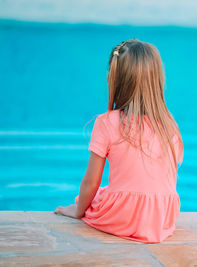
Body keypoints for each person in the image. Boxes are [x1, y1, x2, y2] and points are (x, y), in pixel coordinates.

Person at [54, 38, 184, 244]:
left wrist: (78, 210)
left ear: (112, 80)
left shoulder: (106, 122)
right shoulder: (170, 126)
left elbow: (91, 182)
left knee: (92, 198)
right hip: (161, 217)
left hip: (123, 217)